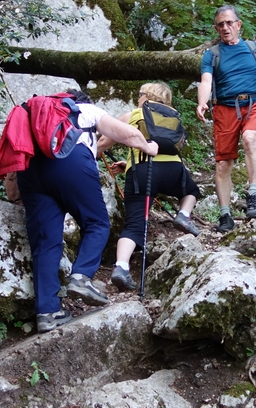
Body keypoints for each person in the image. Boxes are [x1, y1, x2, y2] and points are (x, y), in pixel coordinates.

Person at [14, 89, 159, 333]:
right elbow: (127, 133)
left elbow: (12, 174)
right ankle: (81, 277)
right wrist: (149, 148)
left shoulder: (33, 121)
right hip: (69, 161)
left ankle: (47, 312)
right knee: (97, 223)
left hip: (29, 171)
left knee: (45, 242)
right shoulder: (82, 109)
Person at [196, 5, 256, 232]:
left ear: (238, 25)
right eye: (221, 24)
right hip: (224, 109)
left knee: (250, 138)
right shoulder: (212, 54)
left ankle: (253, 194)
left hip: (253, 104)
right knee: (223, 163)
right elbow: (206, 82)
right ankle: (225, 215)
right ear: (216, 28)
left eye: (229, 23)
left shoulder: (253, 48)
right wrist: (202, 102)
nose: (225, 27)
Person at [98, 82, 203, 291]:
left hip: (143, 171)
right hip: (174, 170)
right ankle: (183, 215)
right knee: (191, 191)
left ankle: (121, 267)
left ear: (146, 96)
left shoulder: (133, 114)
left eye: (139, 94)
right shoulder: (173, 115)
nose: (138, 98)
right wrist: (126, 163)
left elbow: (103, 143)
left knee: (135, 223)